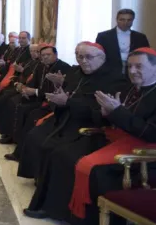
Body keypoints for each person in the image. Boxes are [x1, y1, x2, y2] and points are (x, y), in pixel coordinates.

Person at [22, 48, 156, 225]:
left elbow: (151, 134)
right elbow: (109, 117)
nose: (133, 71)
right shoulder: (130, 88)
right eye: (130, 66)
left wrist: (117, 112)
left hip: (141, 153)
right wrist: (106, 114)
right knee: (61, 153)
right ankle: (54, 209)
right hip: (113, 138)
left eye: (139, 66)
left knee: (95, 171)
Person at [17, 42, 127, 180]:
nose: (83, 61)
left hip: (85, 126)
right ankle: (38, 178)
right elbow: (67, 93)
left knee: (55, 150)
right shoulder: (75, 72)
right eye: (79, 57)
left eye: (88, 57)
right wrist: (59, 89)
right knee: (34, 136)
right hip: (65, 118)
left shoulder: (114, 80)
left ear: (102, 58)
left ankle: (46, 183)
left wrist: (68, 102)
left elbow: (99, 114)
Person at [2, 45, 72, 160]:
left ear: (56, 55)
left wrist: (34, 91)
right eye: (43, 55)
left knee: (28, 113)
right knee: (15, 103)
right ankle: (13, 136)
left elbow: (56, 92)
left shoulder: (64, 68)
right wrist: (25, 89)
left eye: (48, 55)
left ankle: (21, 152)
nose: (45, 57)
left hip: (51, 103)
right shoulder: (41, 65)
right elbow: (33, 82)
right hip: (38, 97)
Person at [95, 9, 149, 74]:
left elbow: (146, 56)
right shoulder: (103, 36)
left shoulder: (140, 37)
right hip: (109, 72)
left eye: (129, 20)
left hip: (134, 71)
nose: (125, 22)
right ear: (117, 20)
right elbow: (97, 56)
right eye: (122, 19)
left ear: (133, 21)